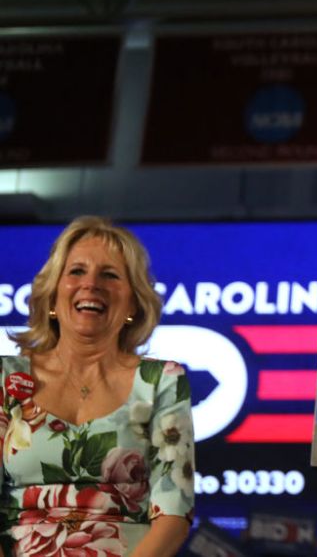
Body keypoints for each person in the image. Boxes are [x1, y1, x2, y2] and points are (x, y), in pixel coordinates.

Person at [0, 216, 194, 556]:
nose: (91, 284)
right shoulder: (6, 379)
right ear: (52, 296)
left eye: (110, 275)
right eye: (76, 271)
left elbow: (174, 513)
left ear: (133, 304)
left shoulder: (162, 380)